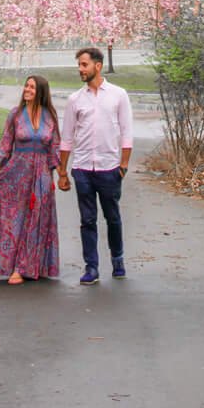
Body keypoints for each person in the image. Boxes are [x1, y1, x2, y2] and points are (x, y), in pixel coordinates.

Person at [0, 73, 61, 283]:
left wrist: (55, 176)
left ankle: (28, 266)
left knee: (36, 220)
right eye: (26, 86)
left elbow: (55, 148)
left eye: (32, 87)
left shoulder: (50, 116)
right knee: (15, 220)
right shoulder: (15, 114)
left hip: (41, 175)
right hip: (16, 173)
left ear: (40, 91)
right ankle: (15, 267)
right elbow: (5, 146)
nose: (27, 90)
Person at [57, 46, 133, 284]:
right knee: (87, 220)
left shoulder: (118, 95)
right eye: (79, 65)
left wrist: (123, 165)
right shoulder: (75, 100)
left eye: (84, 64)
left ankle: (117, 259)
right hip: (82, 170)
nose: (80, 69)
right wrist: (63, 171)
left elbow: (127, 132)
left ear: (97, 66)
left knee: (113, 218)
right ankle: (91, 267)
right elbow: (67, 137)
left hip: (109, 168)